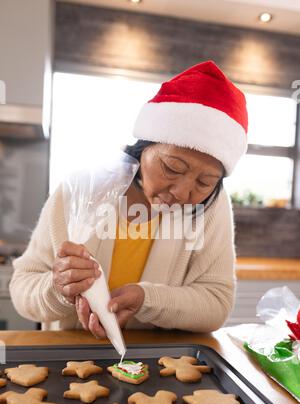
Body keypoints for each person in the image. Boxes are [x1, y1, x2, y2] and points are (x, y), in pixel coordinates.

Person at [9, 60, 248, 337]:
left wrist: (147, 299)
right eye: (172, 168)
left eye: (204, 182)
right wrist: (58, 288)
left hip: (161, 366)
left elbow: (217, 303)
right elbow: (22, 288)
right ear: (142, 148)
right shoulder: (80, 189)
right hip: (71, 360)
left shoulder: (212, 207)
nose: (183, 193)